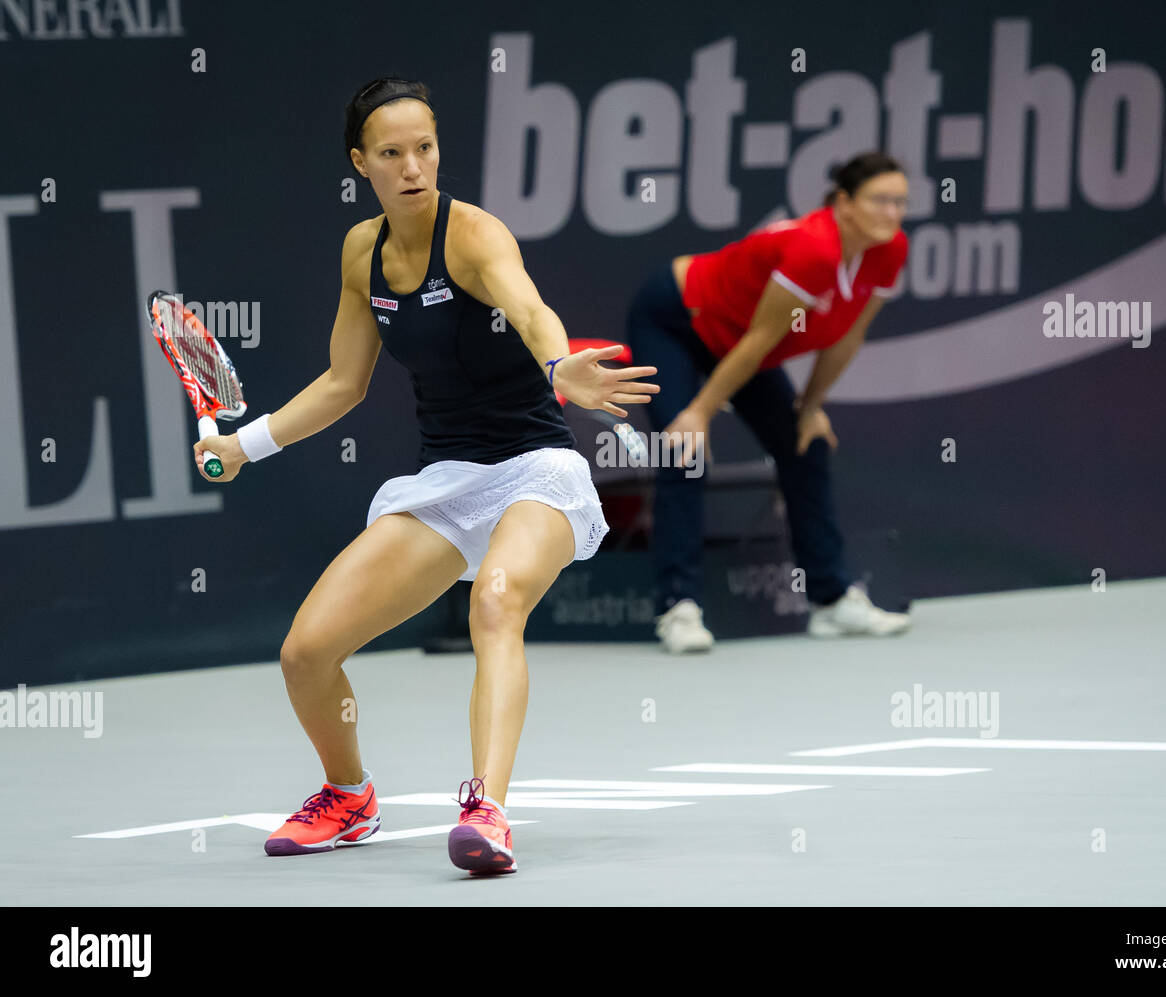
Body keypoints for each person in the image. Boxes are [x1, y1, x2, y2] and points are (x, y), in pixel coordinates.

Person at [192, 76, 658, 874]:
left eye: (426, 148)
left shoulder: (474, 235)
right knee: (306, 651)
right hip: (445, 483)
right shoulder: (360, 251)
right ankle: (348, 796)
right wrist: (247, 445)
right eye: (391, 153)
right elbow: (344, 383)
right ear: (359, 163)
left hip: (535, 469)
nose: (414, 167)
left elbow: (532, 308)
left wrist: (558, 365)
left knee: (497, 599)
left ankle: (488, 809)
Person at [626, 152, 912, 654]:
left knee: (806, 444)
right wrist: (699, 412)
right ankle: (679, 609)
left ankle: (830, 602)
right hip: (673, 317)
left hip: (735, 344)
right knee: (683, 450)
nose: (892, 213)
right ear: (844, 203)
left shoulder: (889, 250)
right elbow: (759, 341)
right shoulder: (815, 250)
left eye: (900, 202)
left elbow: (847, 339)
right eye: (880, 200)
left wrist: (810, 406)